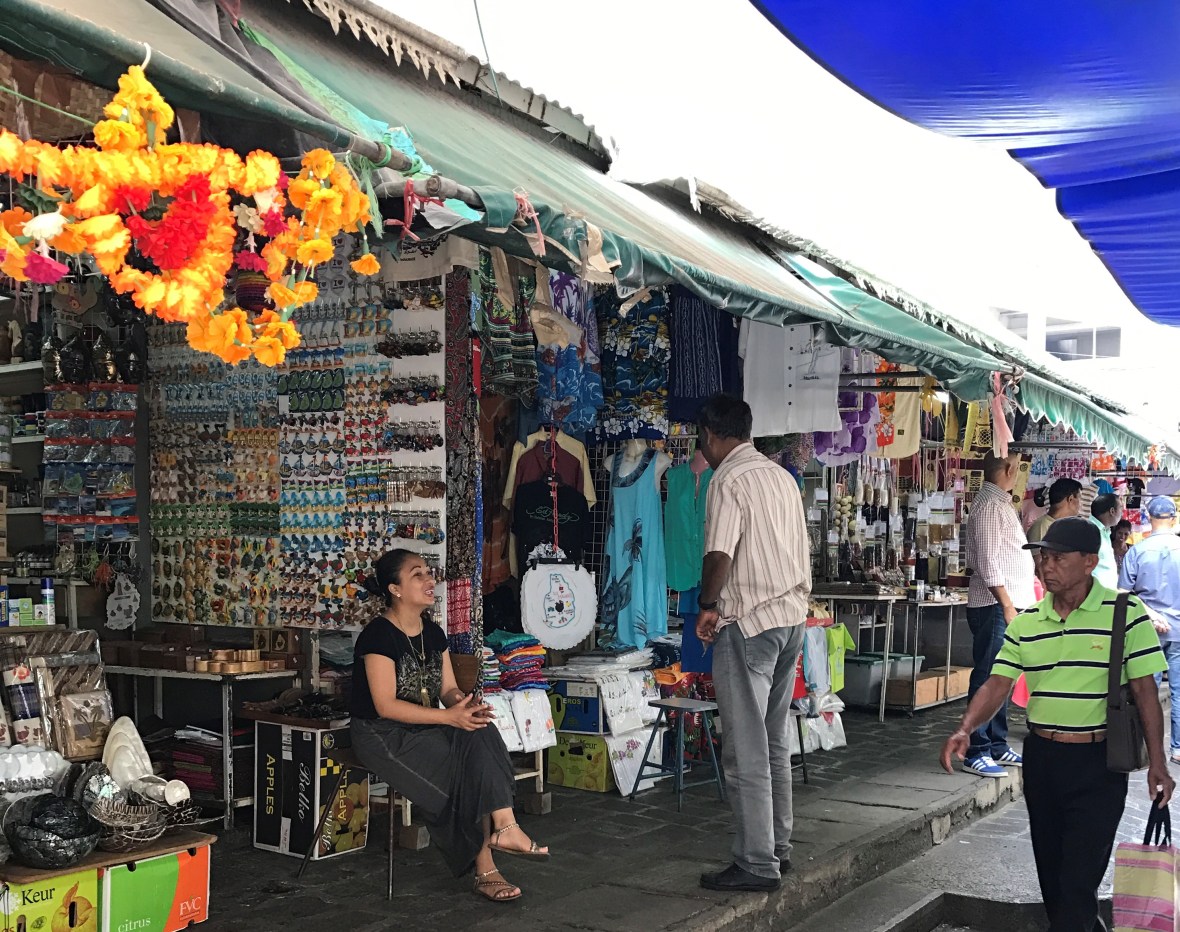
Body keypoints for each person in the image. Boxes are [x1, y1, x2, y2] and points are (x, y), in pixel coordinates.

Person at [941, 517, 1172, 932]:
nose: (1046, 566)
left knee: (1078, 881)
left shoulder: (1126, 613)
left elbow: (1144, 691)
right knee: (1052, 875)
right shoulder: (1027, 623)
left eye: (1057, 558)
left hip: (1099, 763)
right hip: (1043, 759)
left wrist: (1159, 763)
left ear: (1088, 562)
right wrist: (966, 728)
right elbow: (998, 683)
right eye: (1042, 557)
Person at [350, 549, 549, 903]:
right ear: (395, 589)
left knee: (480, 730)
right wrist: (448, 717)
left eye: (428, 572)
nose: (430, 581)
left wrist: (464, 705)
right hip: (382, 735)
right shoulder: (377, 637)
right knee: (463, 772)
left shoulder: (434, 632)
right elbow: (385, 705)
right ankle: (486, 870)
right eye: (418, 575)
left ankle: (505, 825)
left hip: (424, 727)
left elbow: (447, 689)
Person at [693, 394, 810, 893]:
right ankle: (777, 848)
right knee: (774, 740)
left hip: (751, 622)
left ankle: (757, 861)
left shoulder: (729, 480)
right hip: (791, 620)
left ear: (712, 436)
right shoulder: (781, 476)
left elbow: (720, 552)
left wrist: (707, 604)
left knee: (746, 749)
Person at [962, 450, 1037, 777]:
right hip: (995, 606)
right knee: (990, 676)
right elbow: (988, 563)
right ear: (1008, 468)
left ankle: (996, 743)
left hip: (1007, 604)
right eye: (1017, 467)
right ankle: (975, 748)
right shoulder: (990, 506)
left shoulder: (1000, 504)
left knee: (1004, 676)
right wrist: (1007, 604)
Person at [1119, 496, 1180, 762]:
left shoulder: (1137, 551)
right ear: (1174, 519)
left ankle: (1144, 745)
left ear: (1149, 519)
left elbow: (1123, 592)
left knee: (1146, 691)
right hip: (1179, 631)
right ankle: (1178, 748)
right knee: (1179, 691)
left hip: (1146, 630)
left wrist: (1152, 614)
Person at [1026, 478, 1082, 582]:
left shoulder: (1065, 526)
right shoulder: (1042, 526)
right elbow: (1039, 569)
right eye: (1079, 498)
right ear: (1070, 499)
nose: (1081, 505)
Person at [1088, 493, 1121, 589]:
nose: (1121, 513)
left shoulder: (1105, 531)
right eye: (1120, 509)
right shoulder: (1090, 531)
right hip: (1095, 593)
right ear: (1112, 511)